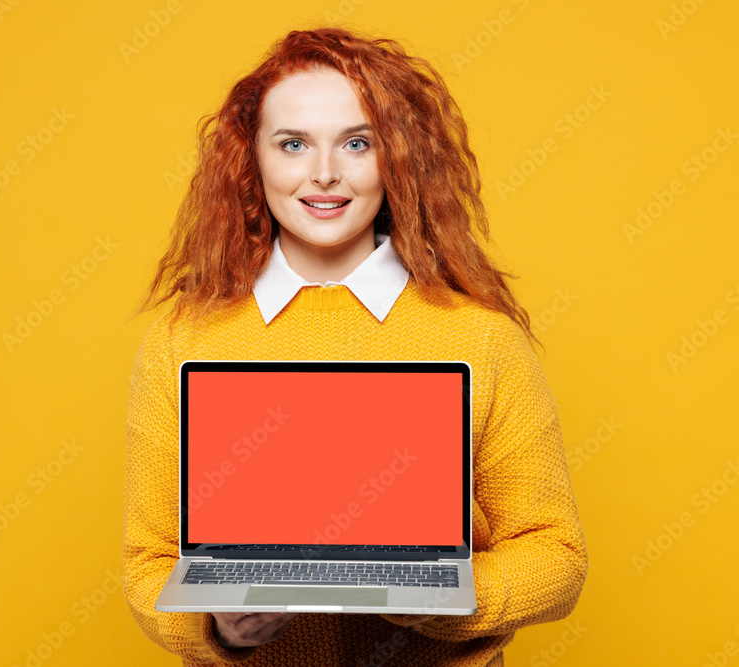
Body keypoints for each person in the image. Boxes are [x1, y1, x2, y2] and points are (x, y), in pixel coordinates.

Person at [122, 26, 587, 666]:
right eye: (293, 144)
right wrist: (218, 628)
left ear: (395, 156)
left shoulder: (479, 338)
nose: (324, 174)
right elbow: (148, 560)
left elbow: (556, 554)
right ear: (251, 159)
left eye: (357, 143)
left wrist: (452, 601)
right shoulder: (185, 340)